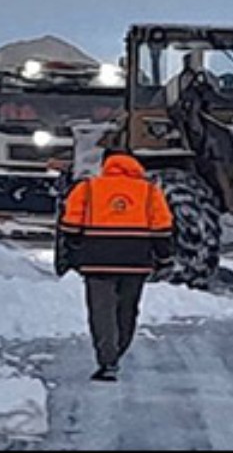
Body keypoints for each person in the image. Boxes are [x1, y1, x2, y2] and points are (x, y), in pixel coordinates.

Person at [55, 148, 174, 382]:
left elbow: (70, 225)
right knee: (126, 310)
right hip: (135, 262)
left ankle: (107, 359)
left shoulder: (87, 188)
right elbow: (162, 228)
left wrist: (75, 250)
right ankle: (119, 349)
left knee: (101, 311)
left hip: (96, 263)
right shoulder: (150, 192)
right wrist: (164, 258)